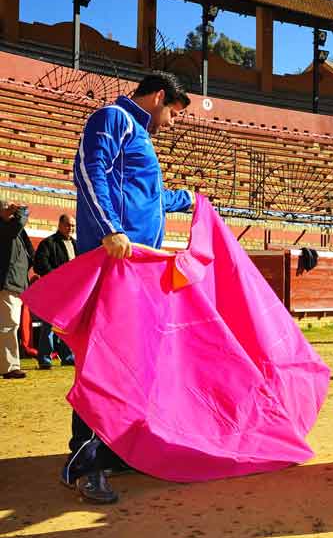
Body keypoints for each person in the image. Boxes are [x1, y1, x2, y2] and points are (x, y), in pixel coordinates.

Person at [61, 72, 195, 504]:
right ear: (159, 97)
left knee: (127, 363)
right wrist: (110, 228)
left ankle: (115, 449)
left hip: (135, 269)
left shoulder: (137, 134)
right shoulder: (113, 117)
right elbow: (87, 169)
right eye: (173, 113)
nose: (172, 124)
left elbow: (147, 196)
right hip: (114, 261)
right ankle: (85, 462)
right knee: (103, 361)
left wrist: (188, 200)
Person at [33, 214, 77, 369]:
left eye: (73, 226)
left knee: (66, 325)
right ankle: (45, 358)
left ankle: (67, 356)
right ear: (59, 225)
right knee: (49, 324)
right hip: (53, 290)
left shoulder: (76, 244)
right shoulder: (48, 243)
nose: (70, 228)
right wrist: (59, 279)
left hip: (71, 291)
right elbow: (40, 265)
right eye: (68, 225)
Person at [0, 200, 33, 380]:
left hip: (16, 283)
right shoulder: (5, 227)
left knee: (10, 324)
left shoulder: (13, 229)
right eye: (8, 208)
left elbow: (29, 252)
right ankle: (10, 366)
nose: (12, 211)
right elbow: (19, 223)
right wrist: (22, 210)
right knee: (9, 325)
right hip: (7, 282)